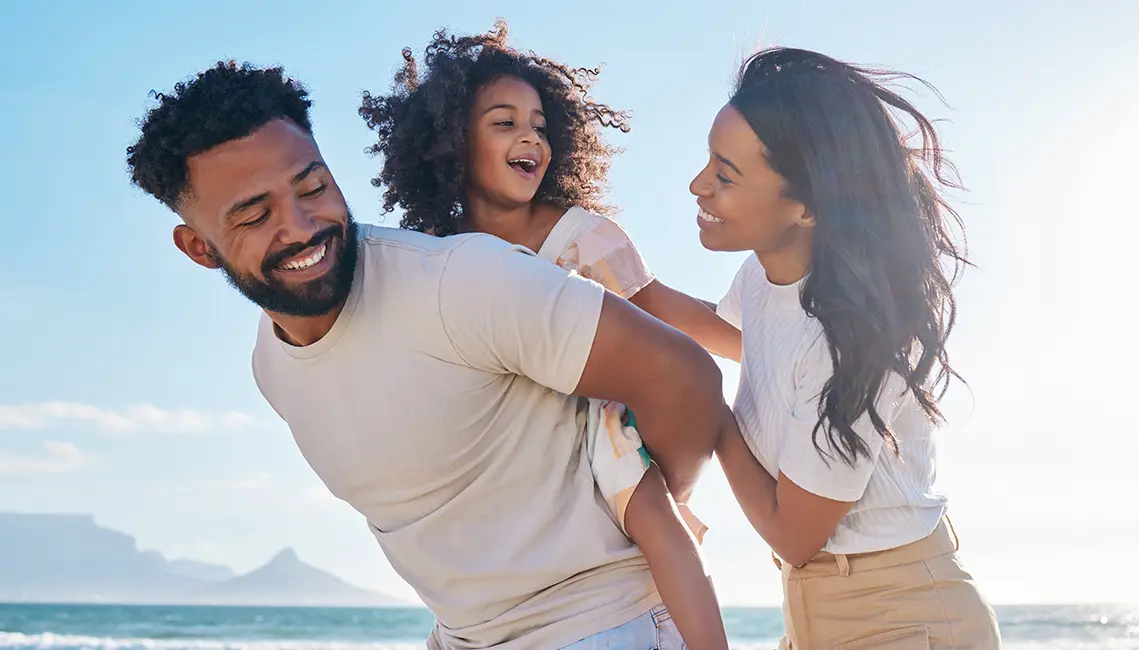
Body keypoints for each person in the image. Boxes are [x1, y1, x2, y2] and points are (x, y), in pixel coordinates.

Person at [126, 59, 731, 650]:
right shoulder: (272, 367)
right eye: (256, 215)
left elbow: (686, 378)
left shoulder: (458, 281)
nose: (302, 225)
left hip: (599, 626)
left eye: (313, 187)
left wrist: (643, 501)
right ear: (199, 247)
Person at [357, 22, 738, 649]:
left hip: (595, 422)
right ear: (452, 142)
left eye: (538, 124)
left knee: (655, 522)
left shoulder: (579, 237)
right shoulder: (445, 259)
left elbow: (662, 309)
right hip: (508, 443)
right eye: (504, 123)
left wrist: (764, 340)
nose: (529, 135)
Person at [691, 47, 1003, 649]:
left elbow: (794, 534)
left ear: (807, 206)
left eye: (725, 174)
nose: (698, 185)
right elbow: (733, 336)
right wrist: (615, 279)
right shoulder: (767, 278)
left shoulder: (854, 340)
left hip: (901, 619)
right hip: (816, 613)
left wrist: (705, 409)